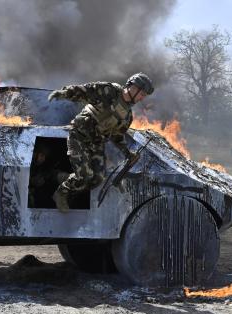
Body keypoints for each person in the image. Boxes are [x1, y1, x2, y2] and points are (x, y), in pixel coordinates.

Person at [47, 73, 154, 212]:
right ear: (133, 87)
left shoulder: (127, 116)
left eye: (145, 95)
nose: (142, 98)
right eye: (142, 93)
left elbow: (117, 136)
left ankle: (66, 178)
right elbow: (85, 91)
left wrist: (128, 153)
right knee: (85, 176)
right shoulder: (110, 91)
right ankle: (61, 192)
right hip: (79, 135)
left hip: (96, 143)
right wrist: (63, 93)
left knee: (97, 179)